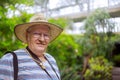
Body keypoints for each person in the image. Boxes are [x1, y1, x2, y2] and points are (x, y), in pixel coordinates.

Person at [0, 13, 63, 80]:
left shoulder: (51, 60)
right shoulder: (10, 59)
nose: (42, 39)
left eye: (46, 35)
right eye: (37, 34)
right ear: (27, 36)